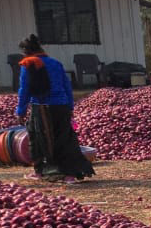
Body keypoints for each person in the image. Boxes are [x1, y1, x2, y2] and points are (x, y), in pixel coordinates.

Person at [14, 34, 94, 183]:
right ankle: (69, 175)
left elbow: (24, 89)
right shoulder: (55, 63)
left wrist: (21, 110)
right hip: (62, 106)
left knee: (39, 140)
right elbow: (66, 86)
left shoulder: (28, 64)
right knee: (65, 139)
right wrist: (70, 106)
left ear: (26, 52)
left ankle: (41, 172)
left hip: (42, 108)